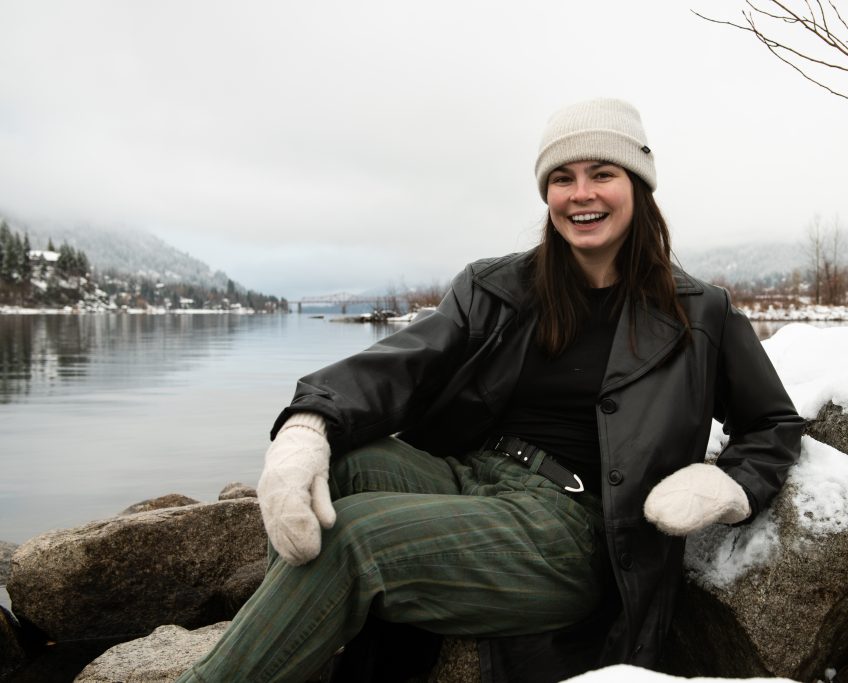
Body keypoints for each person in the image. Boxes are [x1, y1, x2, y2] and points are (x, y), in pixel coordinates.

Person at [177, 98, 804, 683]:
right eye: (563, 179)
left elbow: (772, 423)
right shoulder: (497, 288)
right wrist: (310, 423)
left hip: (574, 531)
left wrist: (727, 485)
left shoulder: (700, 313)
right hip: (471, 478)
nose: (581, 194)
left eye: (601, 173)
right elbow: (406, 362)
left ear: (638, 186)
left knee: (354, 538)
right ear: (546, 194)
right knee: (341, 467)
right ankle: (295, 649)